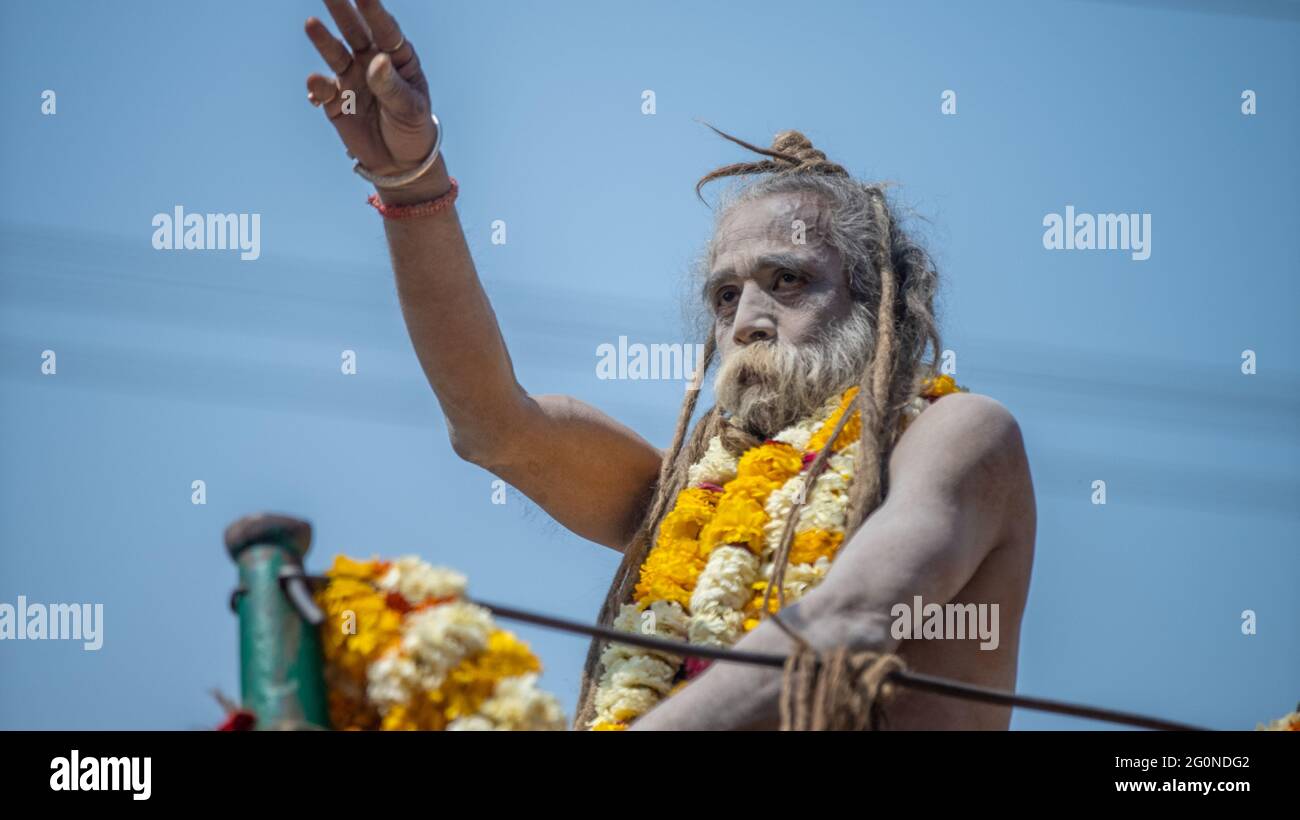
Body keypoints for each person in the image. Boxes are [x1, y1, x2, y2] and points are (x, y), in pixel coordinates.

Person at [302, 0, 1036, 730]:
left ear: (880, 303)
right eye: (724, 296)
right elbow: (493, 426)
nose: (747, 320)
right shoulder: (681, 495)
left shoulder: (961, 433)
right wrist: (412, 181)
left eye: (787, 281)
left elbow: (850, 621)